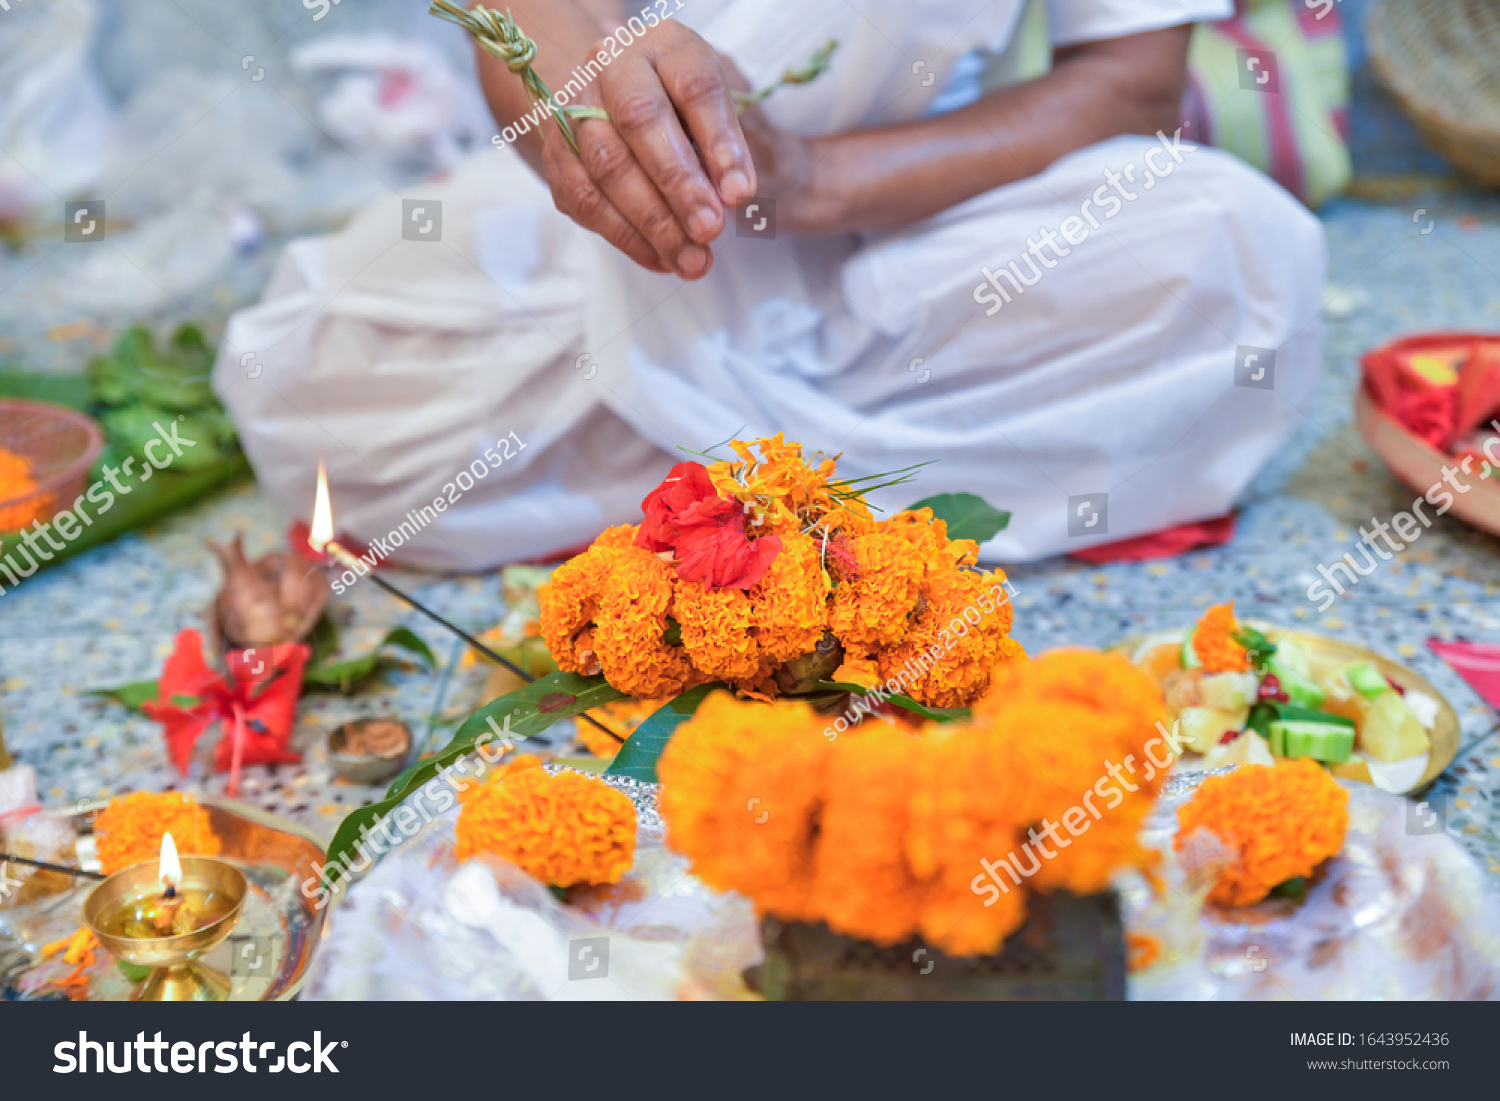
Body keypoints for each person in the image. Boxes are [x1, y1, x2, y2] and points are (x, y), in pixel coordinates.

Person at [216, 0, 1325, 567]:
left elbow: (1129, 85)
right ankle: (803, 472)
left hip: (910, 236)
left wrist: (807, 180)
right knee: (301, 375)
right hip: (609, 233)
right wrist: (579, 86)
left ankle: (691, 475)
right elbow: (532, 15)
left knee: (1240, 256)